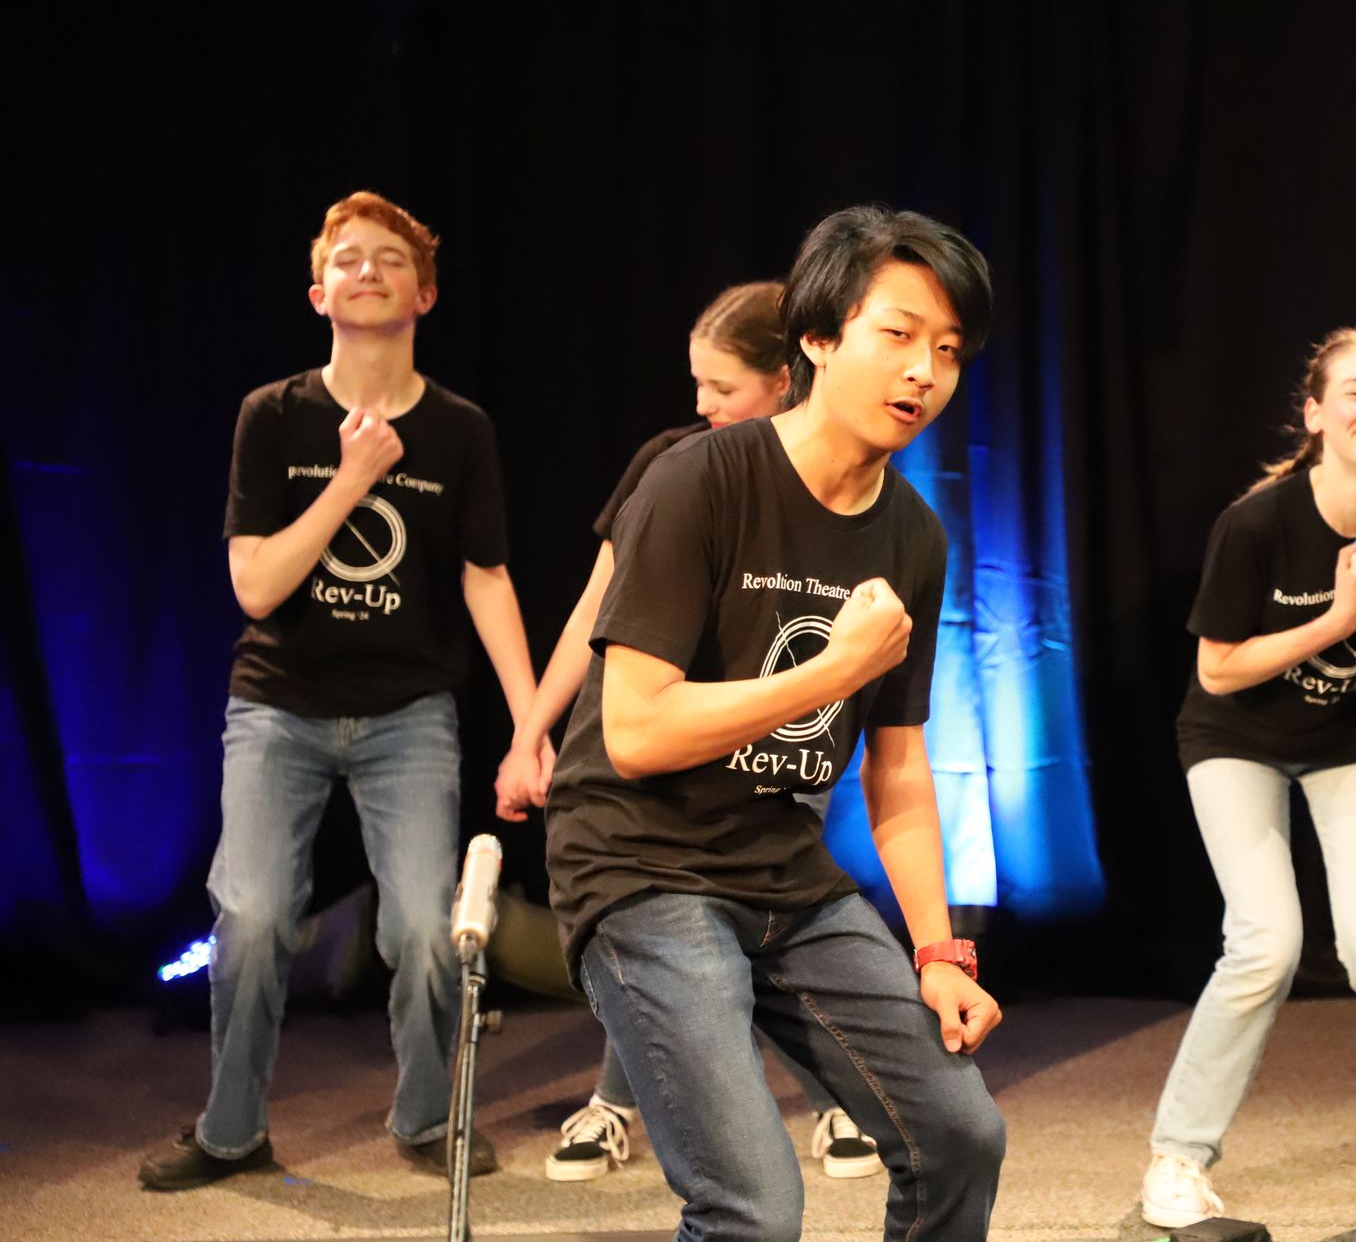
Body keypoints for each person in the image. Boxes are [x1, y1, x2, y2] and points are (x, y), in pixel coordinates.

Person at [542, 205, 1006, 1241]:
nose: (924, 371)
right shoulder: (701, 480)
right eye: (897, 334)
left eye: (948, 349)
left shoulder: (913, 535)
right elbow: (639, 732)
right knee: (754, 1202)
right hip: (641, 865)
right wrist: (828, 672)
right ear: (817, 336)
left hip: (781, 870)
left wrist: (940, 949)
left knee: (960, 1135)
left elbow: (898, 768)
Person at [139, 192, 540, 1190]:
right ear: (319, 291)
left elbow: (486, 577)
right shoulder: (273, 417)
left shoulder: (459, 430)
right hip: (279, 703)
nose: (368, 270)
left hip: (410, 713)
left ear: (425, 293)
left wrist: (531, 724)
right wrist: (351, 475)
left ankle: (424, 1117)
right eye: (348, 259)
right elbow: (257, 584)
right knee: (256, 917)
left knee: (422, 926)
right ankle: (231, 1129)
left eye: (390, 260)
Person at [493, 281, 880, 1182]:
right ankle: (618, 1102)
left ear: (786, 379)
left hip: (783, 738)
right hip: (674, 738)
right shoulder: (673, 465)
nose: (700, 405)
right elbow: (598, 604)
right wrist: (531, 730)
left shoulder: (845, 483)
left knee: (762, 912)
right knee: (671, 911)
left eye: (720, 386)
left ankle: (832, 1103)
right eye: (695, 384)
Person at [1141, 328, 1356, 1235]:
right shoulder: (1259, 521)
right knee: (1266, 943)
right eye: (1355, 392)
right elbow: (1219, 670)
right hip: (1235, 738)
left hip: (1355, 740)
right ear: (1315, 413)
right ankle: (1177, 1160)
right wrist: (1338, 618)